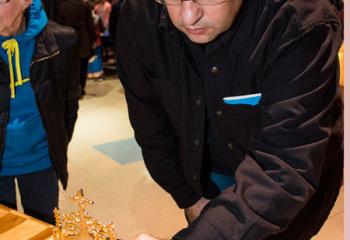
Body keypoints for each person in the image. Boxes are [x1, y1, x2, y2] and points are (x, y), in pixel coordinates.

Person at [116, 0, 343, 239]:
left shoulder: (300, 17)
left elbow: (285, 166)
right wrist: (188, 197)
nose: (189, 16)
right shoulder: (139, 13)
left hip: (288, 177)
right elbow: (150, 125)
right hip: (204, 170)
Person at [0, 0, 79, 224]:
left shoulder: (61, 41)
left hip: (41, 162)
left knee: (44, 229)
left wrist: (55, 146)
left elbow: (68, 105)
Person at [56, 0, 96, 97]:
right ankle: (81, 88)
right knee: (83, 65)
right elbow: (90, 24)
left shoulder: (62, 6)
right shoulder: (84, 6)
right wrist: (93, 39)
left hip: (67, 36)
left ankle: (73, 89)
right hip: (83, 36)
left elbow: (58, 24)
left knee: (70, 66)